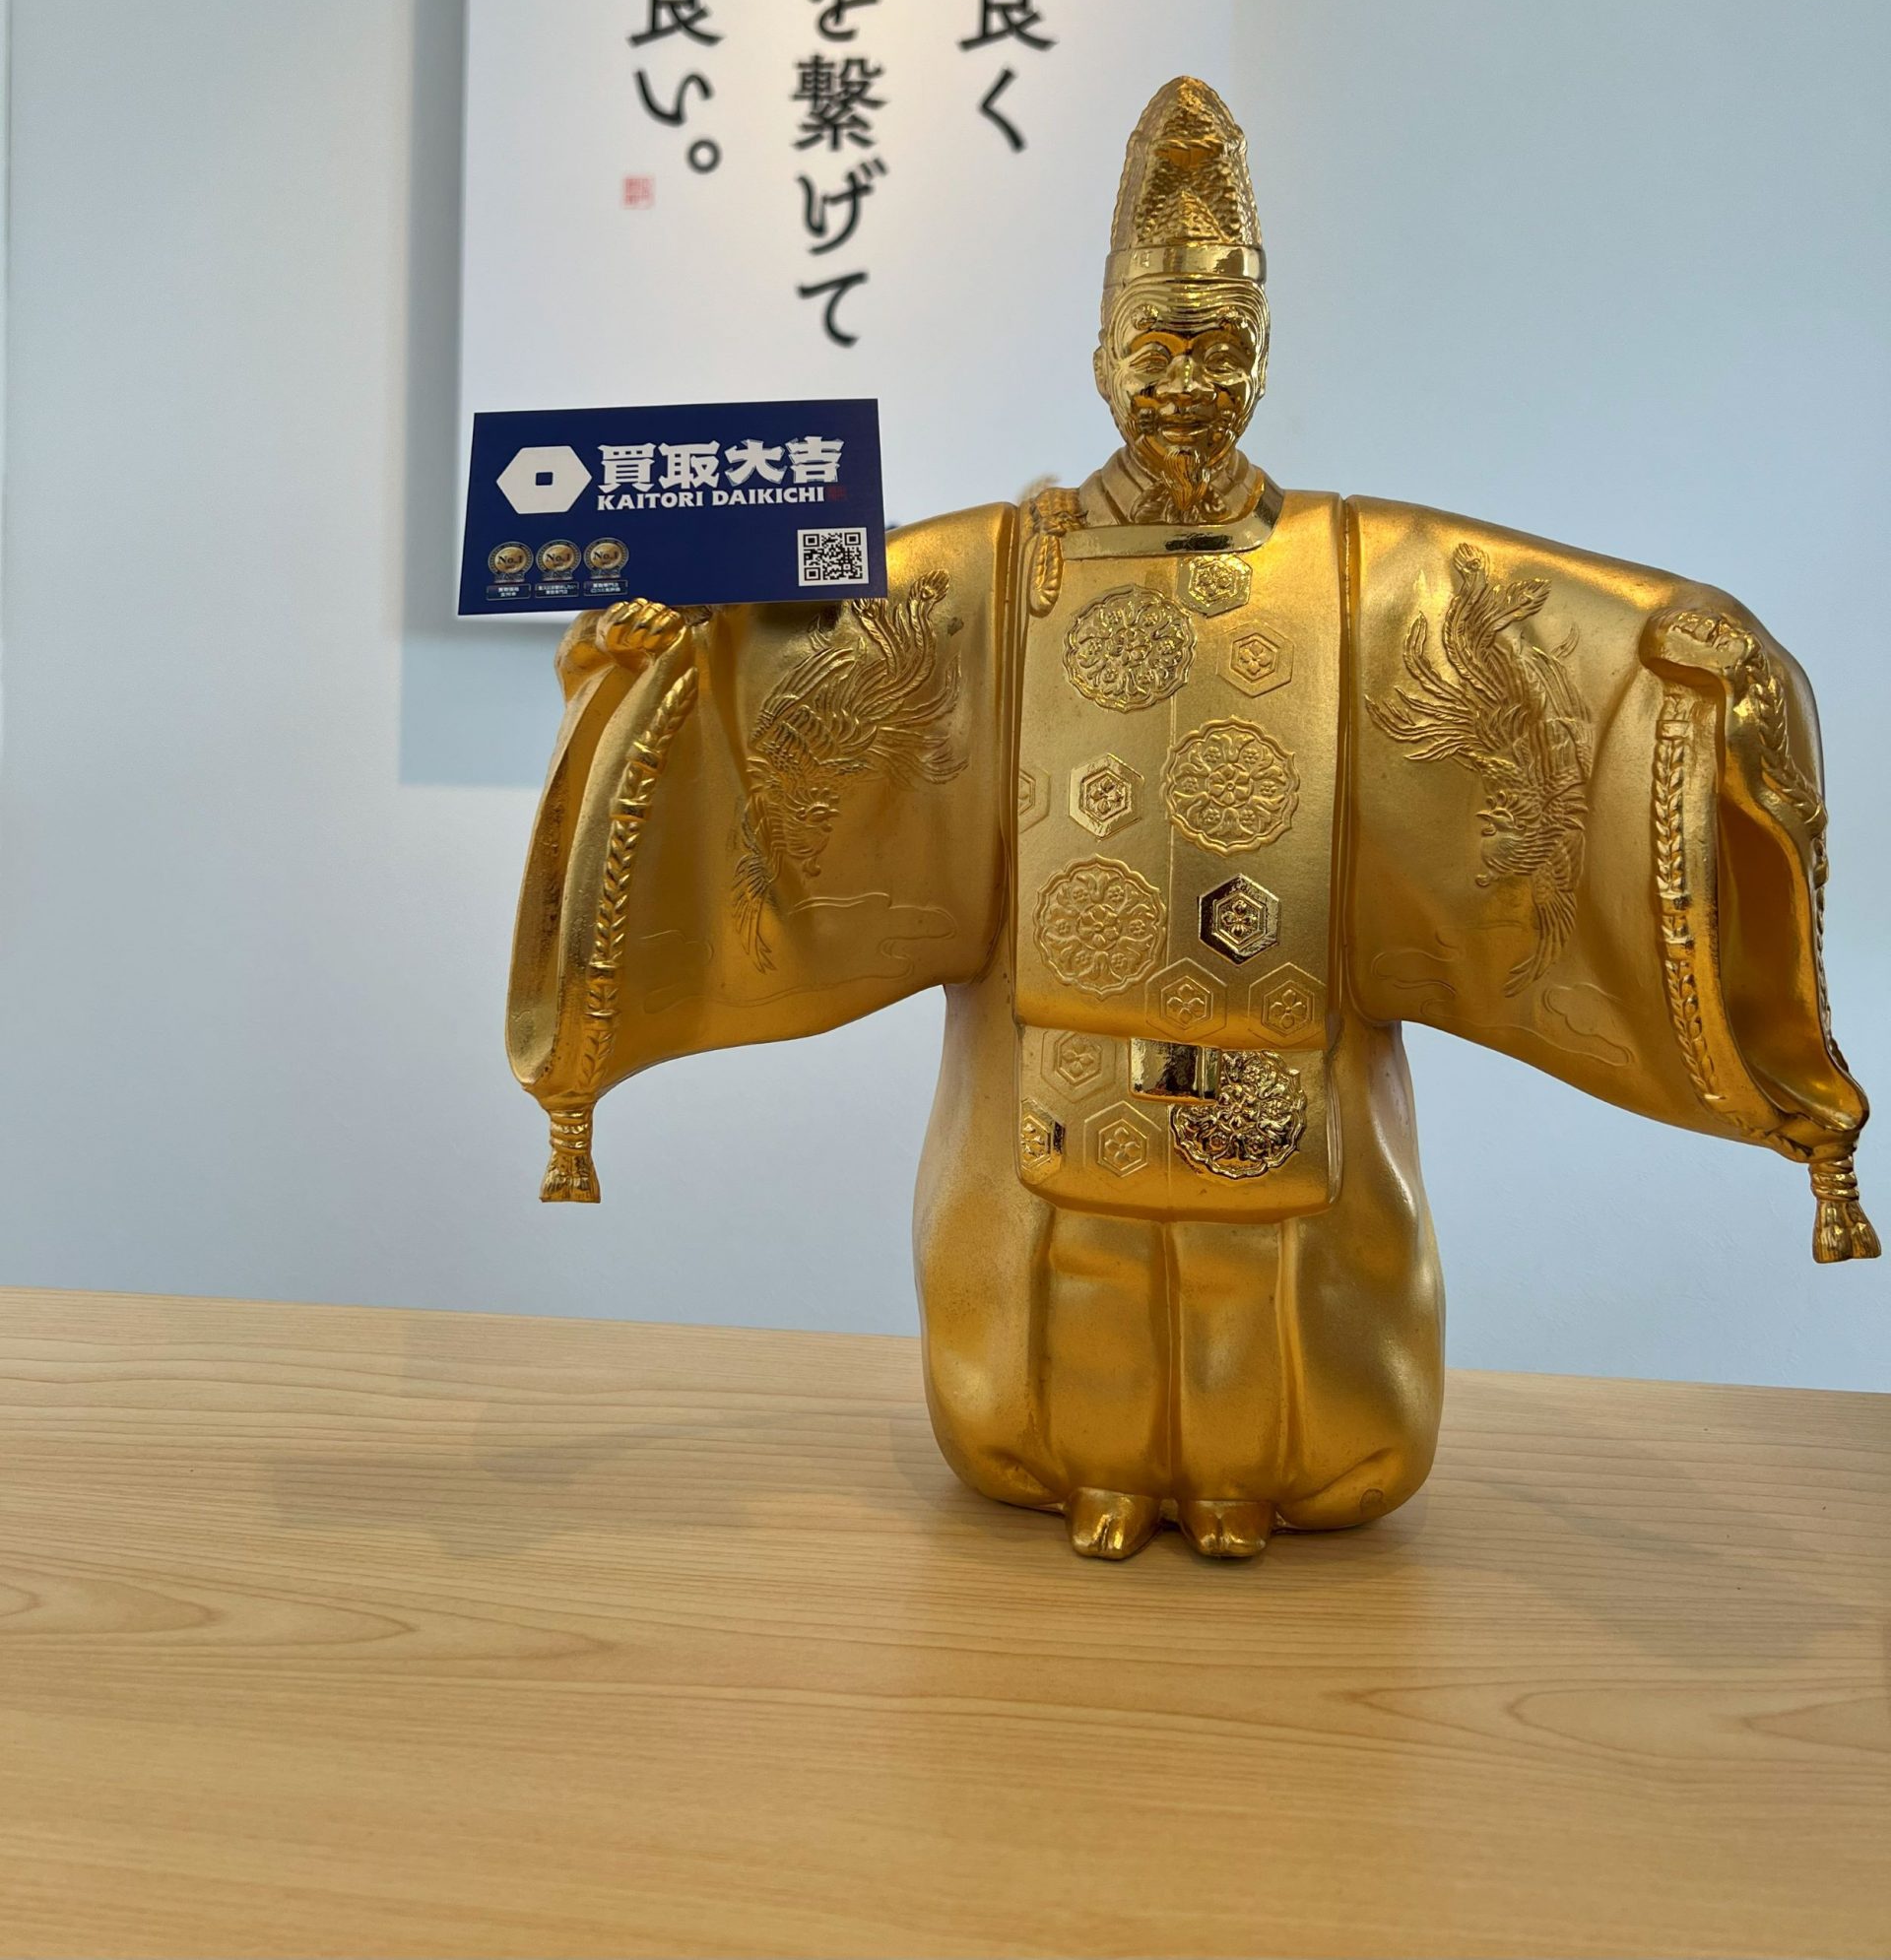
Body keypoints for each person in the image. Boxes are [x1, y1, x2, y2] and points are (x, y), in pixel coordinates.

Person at [508, 76, 1872, 1562]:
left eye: (1218, 348)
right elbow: (806, 650)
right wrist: (668, 636)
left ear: (1263, 356)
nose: (1184, 384)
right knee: (1068, 1267)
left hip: (1290, 1020)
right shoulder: (1002, 566)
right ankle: (1081, 1462)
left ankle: (1260, 1471)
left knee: (1271, 1273)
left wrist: (1685, 664)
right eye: (1153, 349)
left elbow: (1547, 645)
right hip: (1044, 1032)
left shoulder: (1352, 569)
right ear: (1100, 359)